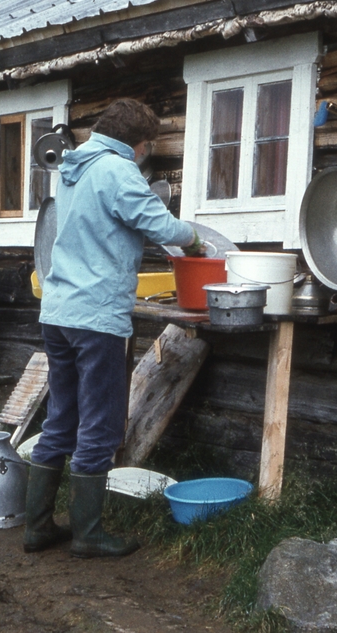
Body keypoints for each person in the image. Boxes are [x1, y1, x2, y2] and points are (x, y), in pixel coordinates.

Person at [25, 97, 203, 558]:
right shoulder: (118, 170)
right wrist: (195, 238)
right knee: (101, 424)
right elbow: (157, 223)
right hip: (95, 317)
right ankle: (88, 534)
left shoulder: (73, 166)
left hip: (58, 312)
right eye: (148, 146)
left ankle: (38, 527)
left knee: (61, 418)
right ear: (139, 144)